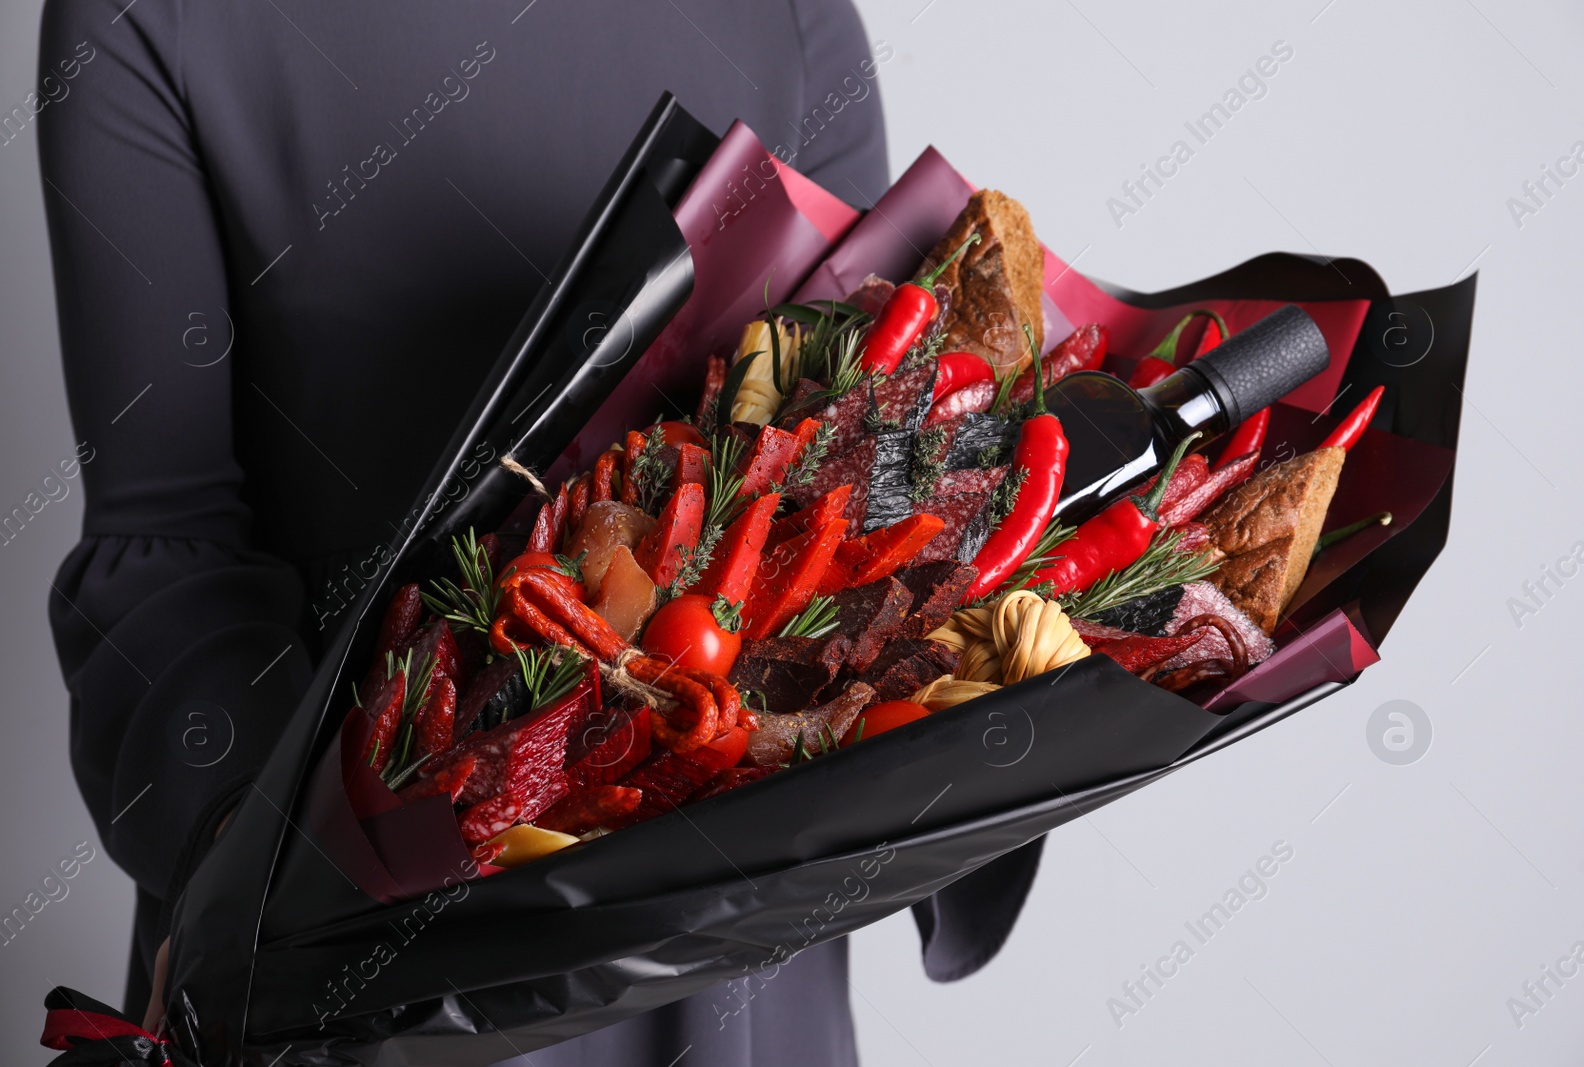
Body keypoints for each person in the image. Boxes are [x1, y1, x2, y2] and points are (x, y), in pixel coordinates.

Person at [40, 1, 1042, 1062]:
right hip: (342, 914)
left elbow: (867, 447)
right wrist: (252, 870)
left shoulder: (787, 18)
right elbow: (170, 534)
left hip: (716, 931)